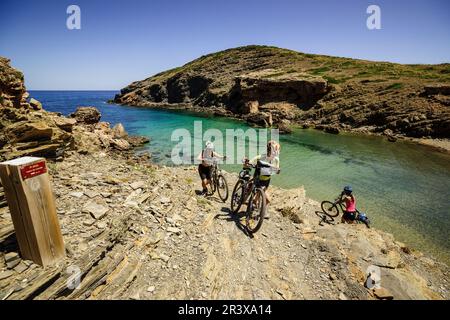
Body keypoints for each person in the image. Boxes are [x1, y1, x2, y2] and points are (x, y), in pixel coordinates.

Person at [245, 140, 281, 210]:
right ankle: (245, 200)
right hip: (258, 179)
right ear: (269, 150)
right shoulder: (261, 157)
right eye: (275, 150)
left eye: (278, 150)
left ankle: (260, 210)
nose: (277, 152)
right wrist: (248, 163)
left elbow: (276, 171)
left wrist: (278, 171)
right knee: (263, 198)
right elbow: (250, 163)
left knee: (267, 200)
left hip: (266, 181)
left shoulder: (276, 160)